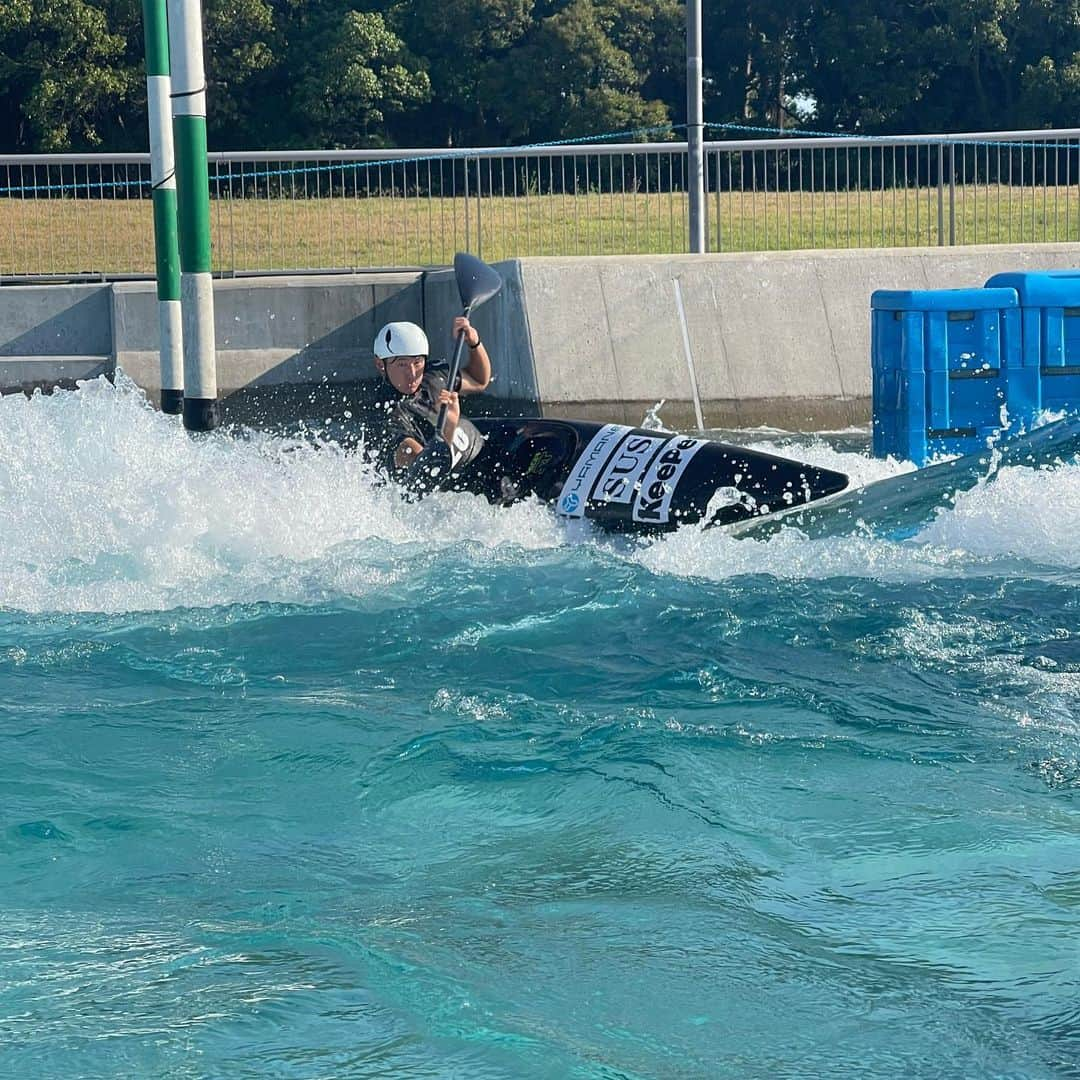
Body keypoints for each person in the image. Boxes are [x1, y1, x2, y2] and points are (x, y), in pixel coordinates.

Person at [372, 317, 491, 478]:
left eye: (417, 362)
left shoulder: (434, 375)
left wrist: (474, 343)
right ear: (381, 365)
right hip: (455, 483)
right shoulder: (387, 414)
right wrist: (449, 426)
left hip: (480, 454)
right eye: (402, 364)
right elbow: (428, 472)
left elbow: (478, 381)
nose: (412, 374)